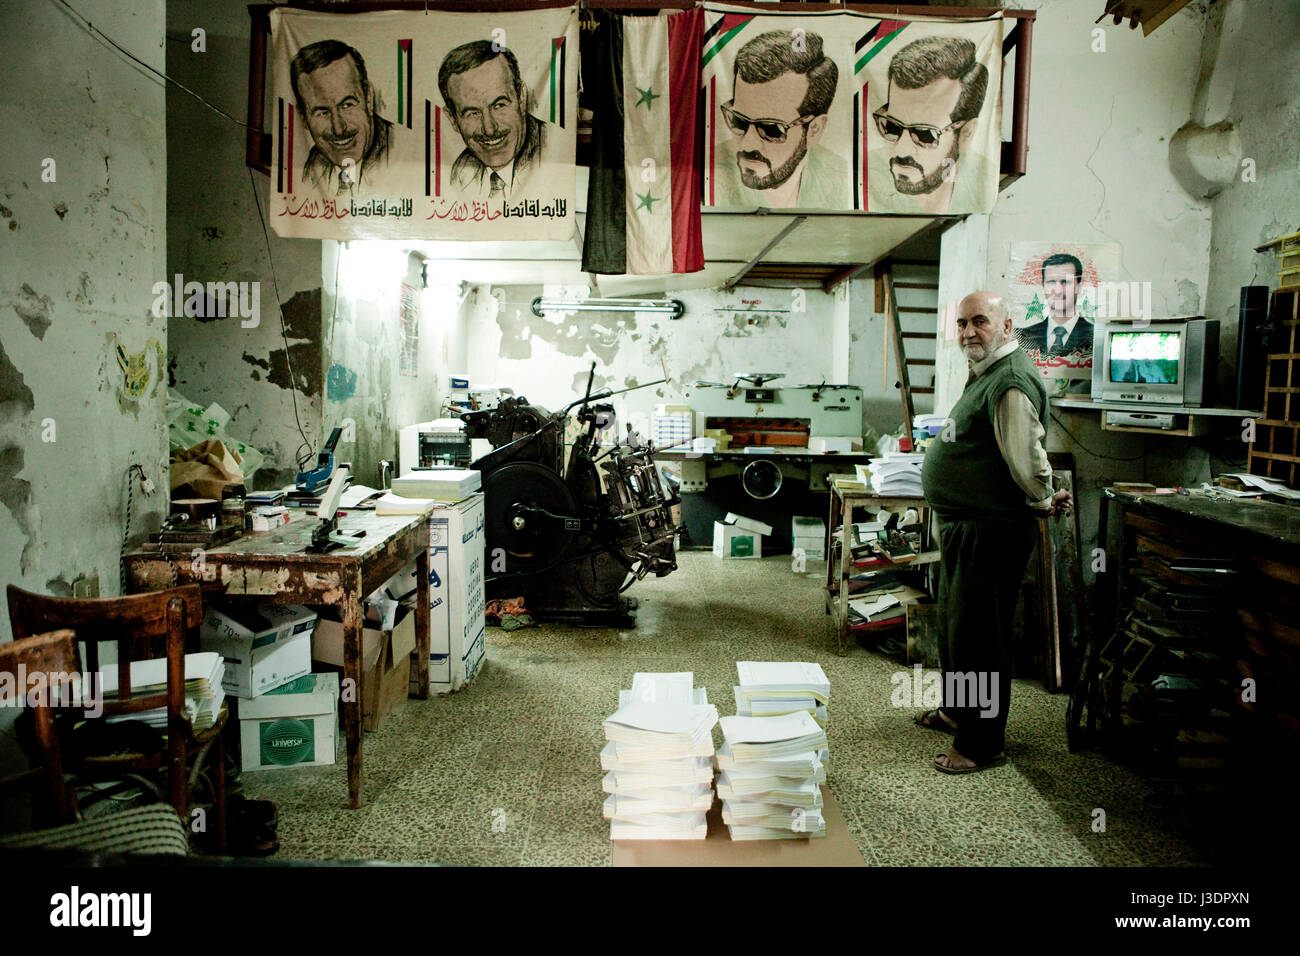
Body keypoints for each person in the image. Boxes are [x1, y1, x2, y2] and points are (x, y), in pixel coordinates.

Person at [917, 290, 1072, 774]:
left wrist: (1043, 498)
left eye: (979, 321)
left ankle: (982, 743)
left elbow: (1026, 455)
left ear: (1006, 327)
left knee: (980, 637)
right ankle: (958, 711)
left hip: (991, 529)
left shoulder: (1008, 380)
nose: (968, 332)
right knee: (958, 630)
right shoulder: (985, 374)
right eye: (962, 324)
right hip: (968, 525)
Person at [713, 30, 847, 209]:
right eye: (739, 121)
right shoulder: (707, 171)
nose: (747, 145)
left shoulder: (843, 178)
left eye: (771, 129)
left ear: (814, 129)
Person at [873, 35, 988, 214]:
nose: (901, 150)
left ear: (966, 133)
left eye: (925, 134)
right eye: (892, 127)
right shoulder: (855, 174)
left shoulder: (985, 179)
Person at [290, 40, 411, 198]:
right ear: (303, 118)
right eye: (323, 112)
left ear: (368, 98)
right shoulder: (312, 166)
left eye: (347, 105)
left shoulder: (406, 151)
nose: (339, 128)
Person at [438, 41, 547, 201]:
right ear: (453, 119)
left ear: (522, 98)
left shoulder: (552, 151)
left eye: (499, 105)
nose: (489, 129)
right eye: (473, 113)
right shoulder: (461, 172)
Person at [1017, 253, 1095, 355]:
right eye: (1051, 282)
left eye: (1065, 282)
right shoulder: (1023, 337)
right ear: (1043, 286)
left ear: (1079, 287)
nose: (1058, 291)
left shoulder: (1095, 336)